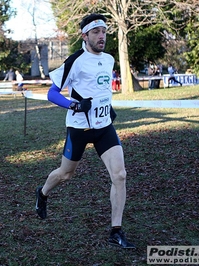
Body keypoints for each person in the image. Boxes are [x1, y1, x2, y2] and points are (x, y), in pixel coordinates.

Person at [35, 13, 135, 249]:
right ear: (85, 36)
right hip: (79, 128)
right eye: (96, 32)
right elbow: (52, 93)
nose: (102, 36)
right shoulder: (75, 60)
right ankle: (43, 192)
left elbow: (100, 89)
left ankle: (116, 231)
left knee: (119, 175)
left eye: (104, 32)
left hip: (103, 128)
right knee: (65, 174)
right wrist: (75, 105)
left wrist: (106, 109)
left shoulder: (109, 59)